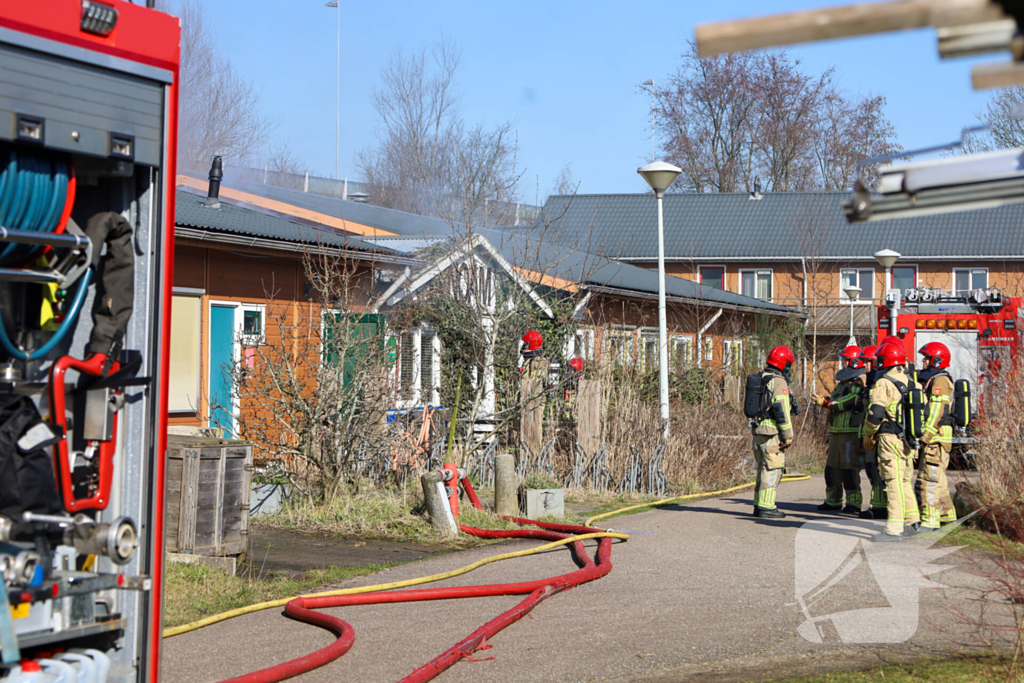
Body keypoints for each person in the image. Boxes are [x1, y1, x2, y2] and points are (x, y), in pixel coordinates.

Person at [862, 339, 921, 540]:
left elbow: (876, 413)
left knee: (892, 481)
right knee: (905, 480)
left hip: (890, 438)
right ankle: (913, 522)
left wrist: (869, 433)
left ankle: (894, 529)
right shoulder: (914, 383)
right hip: (910, 440)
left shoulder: (884, 383)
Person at [813, 345, 867, 514]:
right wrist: (826, 400)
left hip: (851, 432)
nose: (843, 362)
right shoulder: (842, 383)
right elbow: (838, 399)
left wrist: (829, 403)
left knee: (849, 469)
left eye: (845, 359)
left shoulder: (860, 381)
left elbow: (851, 400)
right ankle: (833, 500)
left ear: (855, 361)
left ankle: (853, 502)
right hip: (837, 432)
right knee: (832, 469)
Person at [915, 342, 957, 529]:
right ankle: (948, 517)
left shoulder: (939, 380)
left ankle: (930, 520)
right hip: (939, 437)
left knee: (929, 479)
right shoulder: (934, 379)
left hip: (936, 437)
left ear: (936, 360)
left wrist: (926, 435)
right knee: (938, 479)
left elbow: (936, 410)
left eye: (926, 357)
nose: (923, 360)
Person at [751, 345, 796, 519]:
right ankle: (766, 507)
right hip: (772, 434)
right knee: (772, 470)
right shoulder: (778, 381)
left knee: (762, 469)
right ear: (784, 364)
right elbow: (781, 409)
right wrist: (788, 435)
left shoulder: (762, 378)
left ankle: (758, 504)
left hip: (759, 431)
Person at [856, 345, 887, 519]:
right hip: (869, 434)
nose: (865, 366)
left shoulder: (879, 384)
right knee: (871, 469)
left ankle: (880, 507)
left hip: (876, 436)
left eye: (868, 362)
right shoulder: (870, 384)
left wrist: (871, 434)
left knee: (877, 470)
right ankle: (877, 505)